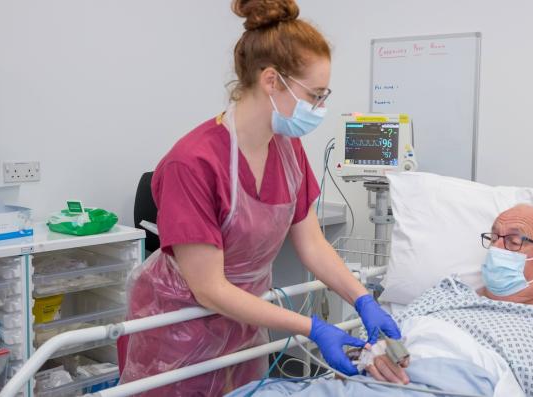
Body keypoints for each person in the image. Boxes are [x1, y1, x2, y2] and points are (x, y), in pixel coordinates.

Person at [117, 0, 399, 395]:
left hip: (244, 323)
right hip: (178, 330)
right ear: (271, 81)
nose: (320, 108)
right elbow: (209, 289)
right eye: (315, 95)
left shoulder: (288, 150)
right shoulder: (192, 163)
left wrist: (362, 299)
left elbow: (313, 244)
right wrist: (314, 328)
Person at [364, 204, 533, 396]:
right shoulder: (446, 293)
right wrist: (374, 357)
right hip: (376, 383)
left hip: (467, 384)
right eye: (493, 238)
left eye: (513, 241)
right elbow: (384, 340)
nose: (497, 249)